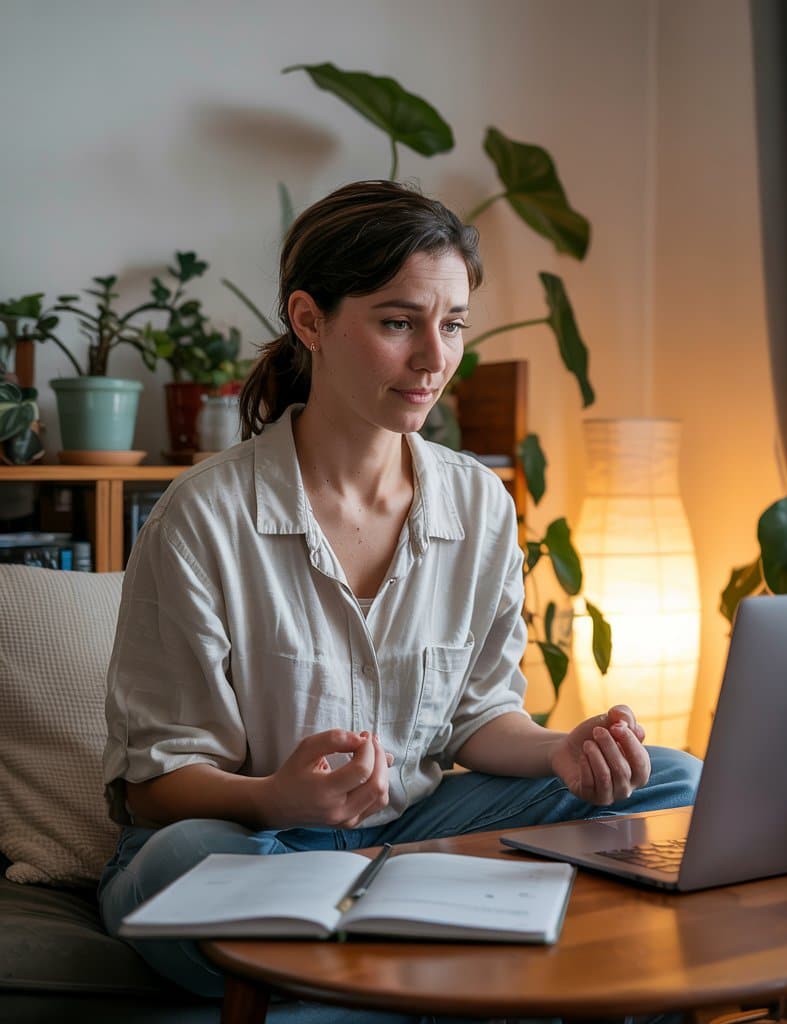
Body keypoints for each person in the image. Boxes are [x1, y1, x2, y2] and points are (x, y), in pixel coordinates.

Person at [98, 180, 702, 1016]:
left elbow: (482, 719)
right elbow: (153, 787)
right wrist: (277, 795)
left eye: (452, 324)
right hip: (253, 838)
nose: (433, 357)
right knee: (180, 868)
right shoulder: (203, 515)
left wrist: (564, 752)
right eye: (397, 322)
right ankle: (444, 970)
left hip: (408, 834)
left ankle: (357, 968)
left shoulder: (480, 503)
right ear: (309, 321)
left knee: (675, 782)